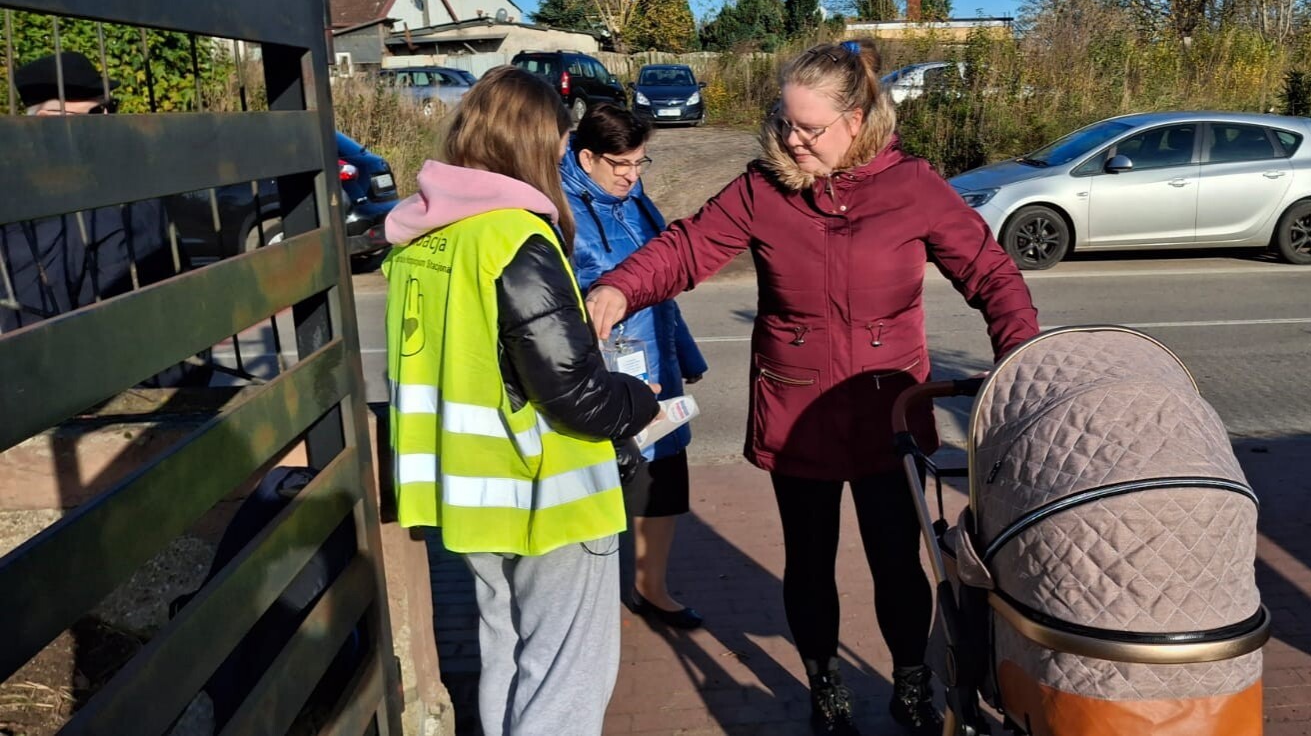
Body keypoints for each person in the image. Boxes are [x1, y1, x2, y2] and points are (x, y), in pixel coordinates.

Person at [586, 40, 1039, 736]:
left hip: (888, 410)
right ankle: (825, 687)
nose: (792, 139)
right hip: (795, 409)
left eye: (809, 127)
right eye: (784, 122)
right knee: (808, 560)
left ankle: (910, 685)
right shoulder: (761, 189)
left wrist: (1021, 359)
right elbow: (687, 247)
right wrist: (620, 287)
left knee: (897, 560)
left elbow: (991, 274)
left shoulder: (912, 186)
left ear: (856, 122)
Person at [382, 66, 660, 736]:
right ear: (536, 145)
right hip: (549, 492)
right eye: (559, 143)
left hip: (470, 493)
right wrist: (639, 399)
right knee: (565, 676)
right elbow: (573, 392)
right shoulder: (515, 236)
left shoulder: (424, 238)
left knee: (504, 652)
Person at [560, 104, 710, 630]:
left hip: (657, 360)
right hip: (602, 371)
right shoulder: (559, 210)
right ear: (587, 158)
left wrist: (685, 353)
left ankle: (651, 588)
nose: (630, 175)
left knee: (663, 474)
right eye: (620, 164)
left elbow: (662, 284)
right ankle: (587, 599)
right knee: (599, 481)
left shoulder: (636, 198)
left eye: (639, 163)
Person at [1, 51, 180, 336]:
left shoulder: (133, 187)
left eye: (111, 107)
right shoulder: (32, 209)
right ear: (46, 122)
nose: (107, 119)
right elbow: (32, 329)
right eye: (95, 113)